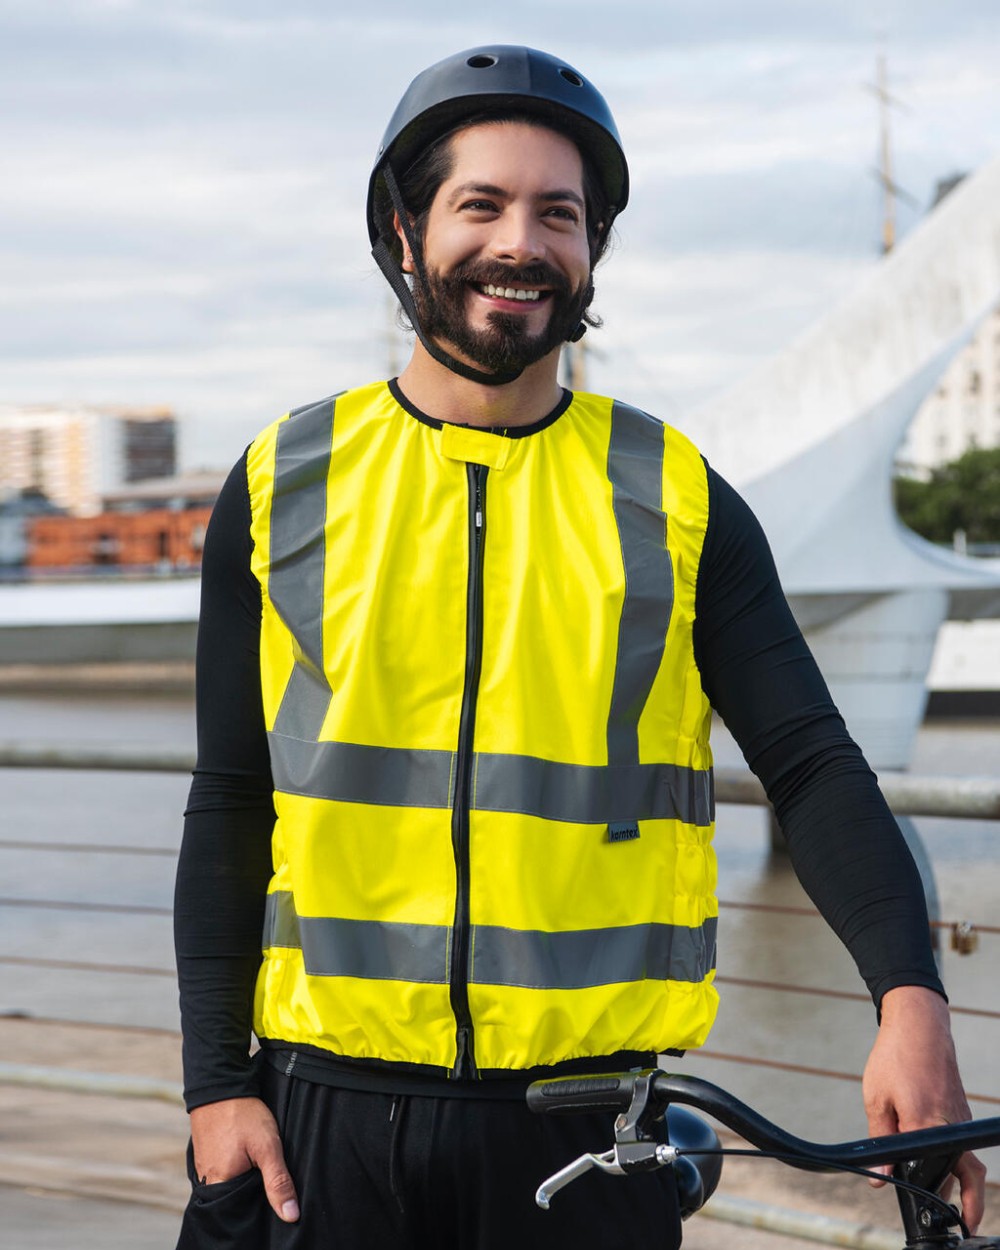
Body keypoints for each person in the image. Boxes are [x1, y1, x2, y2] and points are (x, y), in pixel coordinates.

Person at [173, 45, 985, 1250]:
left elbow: (812, 765)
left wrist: (910, 1001)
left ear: (591, 248)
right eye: (480, 205)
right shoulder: (288, 482)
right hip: (323, 1116)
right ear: (404, 233)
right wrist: (213, 1080)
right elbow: (234, 793)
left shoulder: (675, 497)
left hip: (588, 1131)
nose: (522, 241)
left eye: (559, 212)